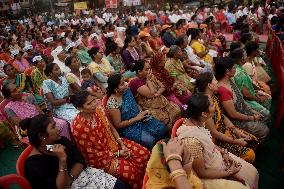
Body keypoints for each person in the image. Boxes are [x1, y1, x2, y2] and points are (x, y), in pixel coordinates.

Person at [22, 114, 130, 189]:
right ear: (42, 136)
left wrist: (70, 178)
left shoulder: (61, 141)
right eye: (53, 127)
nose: (59, 128)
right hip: (69, 184)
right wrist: (62, 161)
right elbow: (61, 187)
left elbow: (80, 161)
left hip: (80, 176)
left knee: (120, 185)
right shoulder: (34, 165)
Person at [177, 93, 258, 189]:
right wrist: (229, 172)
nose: (215, 105)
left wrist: (224, 153)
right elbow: (202, 172)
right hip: (207, 174)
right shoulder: (191, 142)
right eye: (211, 104)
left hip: (216, 157)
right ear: (204, 113)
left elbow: (210, 144)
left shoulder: (198, 121)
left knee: (253, 173)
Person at [71, 91, 150, 188]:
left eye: (93, 100)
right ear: (80, 108)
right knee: (131, 172)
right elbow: (93, 154)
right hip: (102, 158)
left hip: (114, 143)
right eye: (89, 103)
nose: (94, 104)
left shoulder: (98, 109)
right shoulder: (79, 128)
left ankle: (147, 181)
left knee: (144, 154)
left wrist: (121, 143)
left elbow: (110, 127)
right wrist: (118, 153)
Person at [195, 72, 258, 163]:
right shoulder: (205, 105)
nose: (217, 82)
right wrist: (236, 141)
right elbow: (214, 133)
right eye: (215, 80)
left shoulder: (213, 97)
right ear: (209, 85)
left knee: (253, 140)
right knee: (250, 154)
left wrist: (235, 129)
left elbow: (221, 115)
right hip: (217, 140)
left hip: (225, 130)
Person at [215, 57, 269, 144]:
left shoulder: (231, 80)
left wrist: (252, 110)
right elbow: (233, 114)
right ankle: (254, 146)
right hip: (236, 121)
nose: (235, 69)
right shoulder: (223, 90)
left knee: (263, 116)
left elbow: (241, 99)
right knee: (263, 130)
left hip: (243, 112)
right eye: (233, 68)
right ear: (227, 72)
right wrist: (252, 117)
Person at [107, 74, 167, 149]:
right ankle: (155, 154)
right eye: (122, 84)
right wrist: (137, 118)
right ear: (115, 89)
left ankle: (164, 147)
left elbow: (134, 103)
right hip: (129, 127)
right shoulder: (113, 103)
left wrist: (141, 111)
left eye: (125, 81)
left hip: (140, 117)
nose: (126, 84)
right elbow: (118, 125)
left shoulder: (127, 90)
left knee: (161, 128)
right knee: (149, 140)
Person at [2, 83, 70, 140]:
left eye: (17, 87)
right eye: (15, 91)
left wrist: (46, 119)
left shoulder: (28, 96)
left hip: (41, 120)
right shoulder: (9, 108)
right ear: (9, 97)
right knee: (45, 137)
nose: (19, 90)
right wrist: (39, 127)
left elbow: (39, 111)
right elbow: (21, 125)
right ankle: (50, 151)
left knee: (63, 124)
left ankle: (64, 142)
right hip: (29, 129)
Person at [128, 60, 181, 129]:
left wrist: (157, 94)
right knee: (165, 119)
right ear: (139, 72)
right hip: (149, 108)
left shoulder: (150, 76)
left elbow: (162, 86)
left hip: (161, 101)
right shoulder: (135, 82)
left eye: (150, 68)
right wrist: (148, 81)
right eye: (146, 69)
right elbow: (150, 94)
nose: (149, 71)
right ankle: (170, 134)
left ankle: (178, 129)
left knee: (177, 110)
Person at [230, 48, 271, 117]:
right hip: (246, 101)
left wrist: (258, 90)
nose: (247, 57)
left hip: (251, 95)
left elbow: (249, 84)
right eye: (245, 55)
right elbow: (246, 95)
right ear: (242, 58)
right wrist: (258, 99)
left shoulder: (239, 67)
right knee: (267, 112)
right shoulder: (239, 73)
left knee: (267, 94)